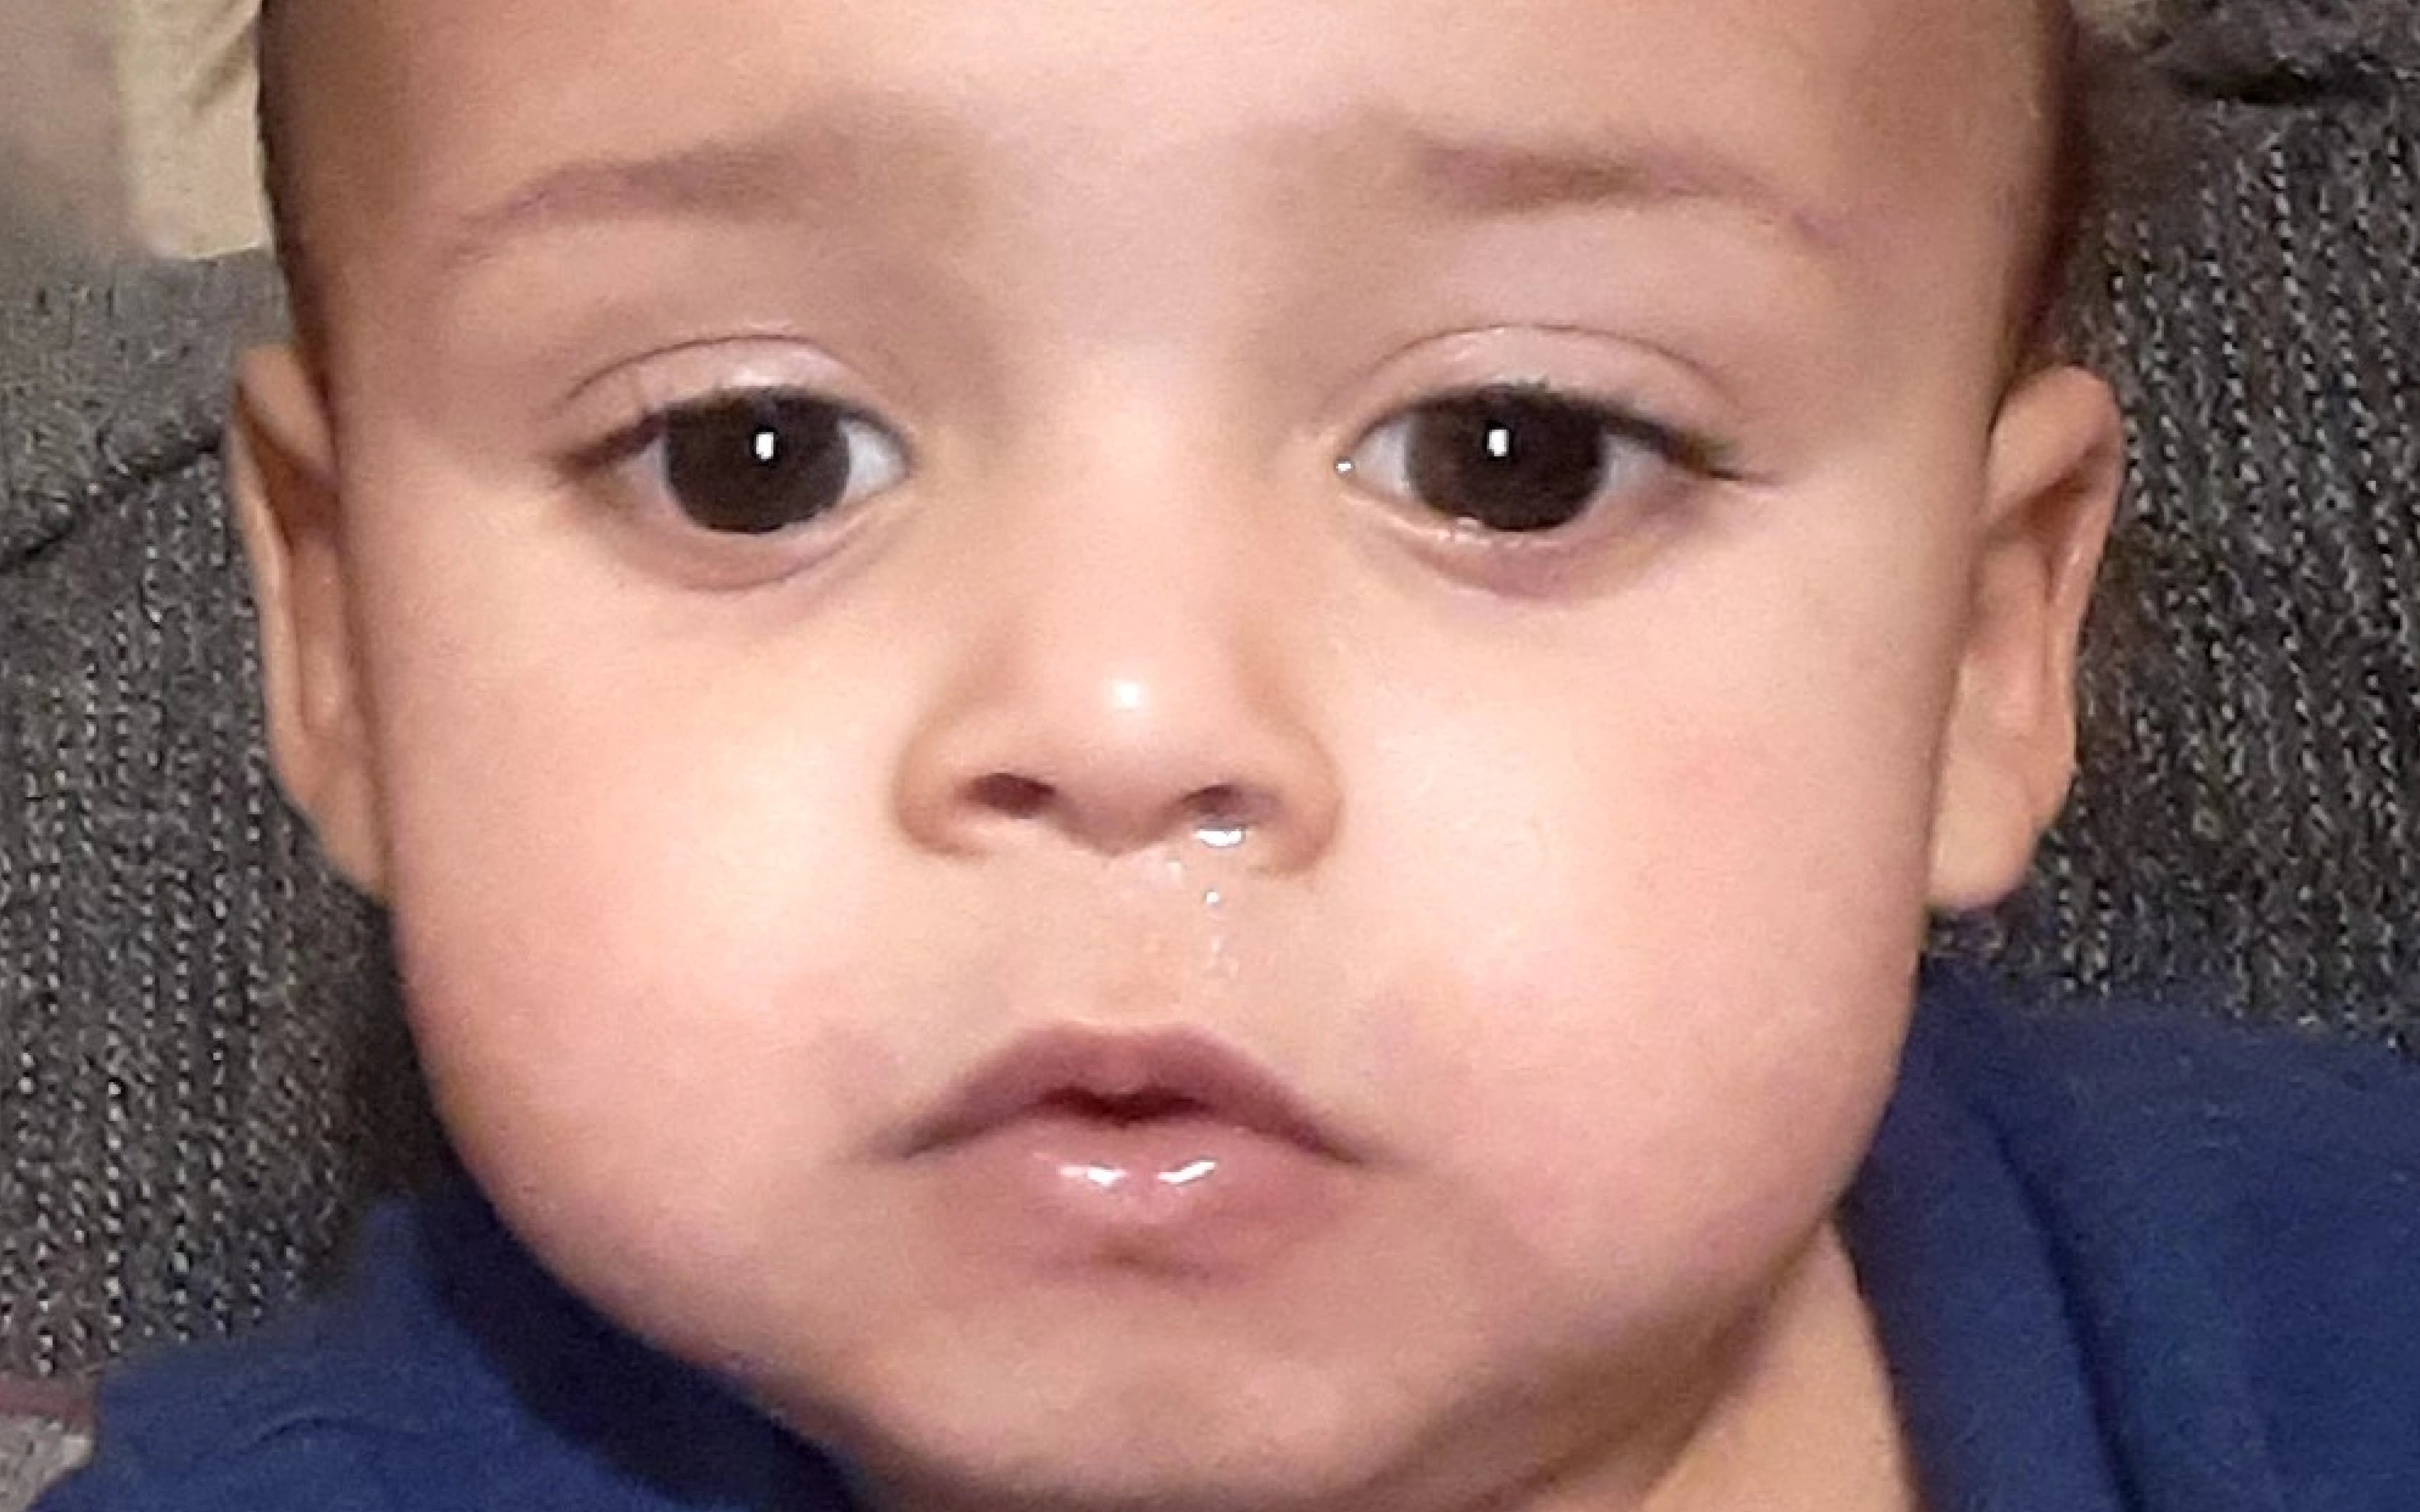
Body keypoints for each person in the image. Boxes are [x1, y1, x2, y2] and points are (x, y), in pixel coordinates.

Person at [35, 0, 2420, 1508]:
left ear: (1989, 653)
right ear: (337, 634)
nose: (1127, 722)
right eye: (753, 455)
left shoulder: (2335, 1324)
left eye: (1517, 455)